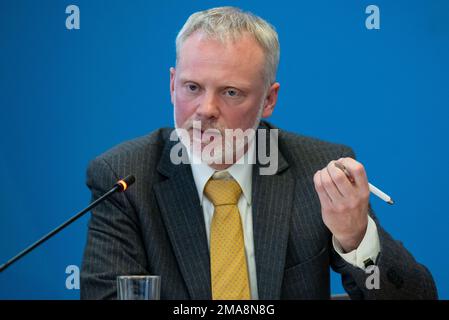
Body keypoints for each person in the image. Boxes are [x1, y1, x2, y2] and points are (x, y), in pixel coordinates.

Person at [80, 6, 437, 299]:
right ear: (172, 85)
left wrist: (355, 236)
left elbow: (416, 297)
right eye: (192, 87)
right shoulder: (123, 176)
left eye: (231, 92)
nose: (205, 109)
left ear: (269, 99)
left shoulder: (317, 169)